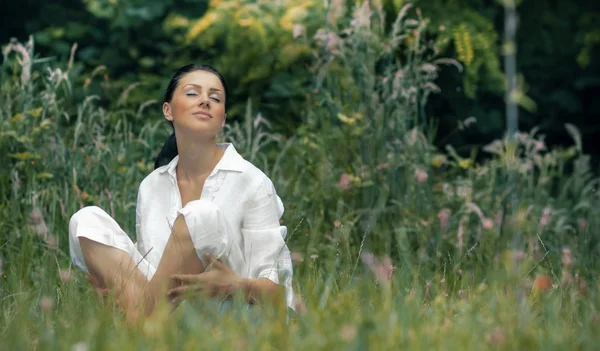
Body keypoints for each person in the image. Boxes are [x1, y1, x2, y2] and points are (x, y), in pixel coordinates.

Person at [68, 64, 295, 320]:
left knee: (200, 214)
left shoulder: (252, 182)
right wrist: (119, 281)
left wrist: (232, 285)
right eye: (192, 93)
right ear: (168, 110)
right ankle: (144, 327)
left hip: (231, 319)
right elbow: (153, 273)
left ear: (222, 119)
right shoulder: (151, 186)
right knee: (86, 220)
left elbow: (279, 294)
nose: (205, 101)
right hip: (172, 317)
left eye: (215, 98)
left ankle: (135, 330)